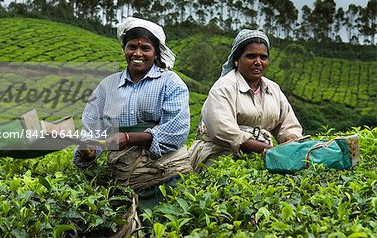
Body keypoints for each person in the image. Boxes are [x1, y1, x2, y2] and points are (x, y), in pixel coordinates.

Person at [73, 16, 192, 210]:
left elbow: (176, 132)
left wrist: (129, 138)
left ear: (156, 53)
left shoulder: (170, 83)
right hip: (122, 176)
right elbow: (93, 127)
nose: (138, 53)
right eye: (132, 47)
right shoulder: (107, 86)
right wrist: (89, 149)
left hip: (163, 175)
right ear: (124, 50)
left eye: (145, 48)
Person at [189, 29, 303, 172]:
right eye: (251, 56)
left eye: (263, 57)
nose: (258, 62)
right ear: (237, 60)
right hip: (221, 156)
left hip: (264, 156)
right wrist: (272, 150)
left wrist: (290, 140)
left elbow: (288, 123)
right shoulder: (224, 88)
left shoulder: (273, 89)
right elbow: (224, 132)